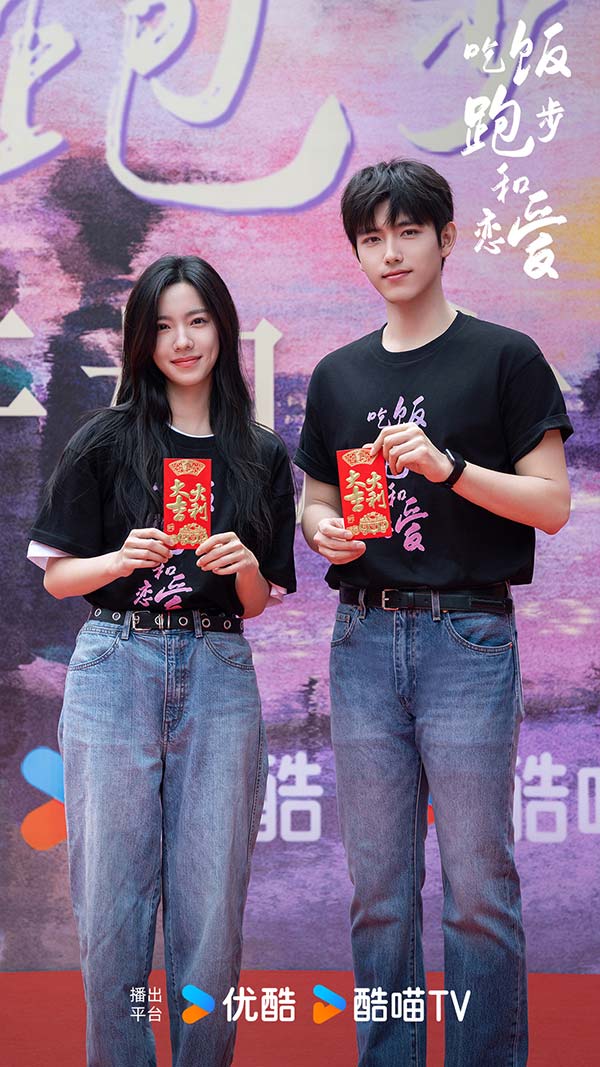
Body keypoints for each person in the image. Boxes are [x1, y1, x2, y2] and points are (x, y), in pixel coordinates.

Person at [294, 159, 573, 1066]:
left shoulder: (506, 356)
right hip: (362, 634)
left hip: (468, 634)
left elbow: (552, 502)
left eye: (408, 231)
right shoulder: (339, 374)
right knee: (378, 892)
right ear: (357, 253)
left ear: (447, 238)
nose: (391, 252)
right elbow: (315, 497)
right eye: (371, 237)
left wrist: (448, 468)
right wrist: (323, 528)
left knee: (478, 889)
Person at [28, 254, 297, 1067]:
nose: (183, 340)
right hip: (115, 662)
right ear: (142, 339)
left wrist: (240, 562)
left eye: (199, 321)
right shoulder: (104, 439)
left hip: (219, 669)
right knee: (112, 900)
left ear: (224, 328)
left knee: (211, 905)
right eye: (165, 325)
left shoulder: (258, 451)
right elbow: (57, 576)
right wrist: (118, 559)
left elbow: (258, 600)